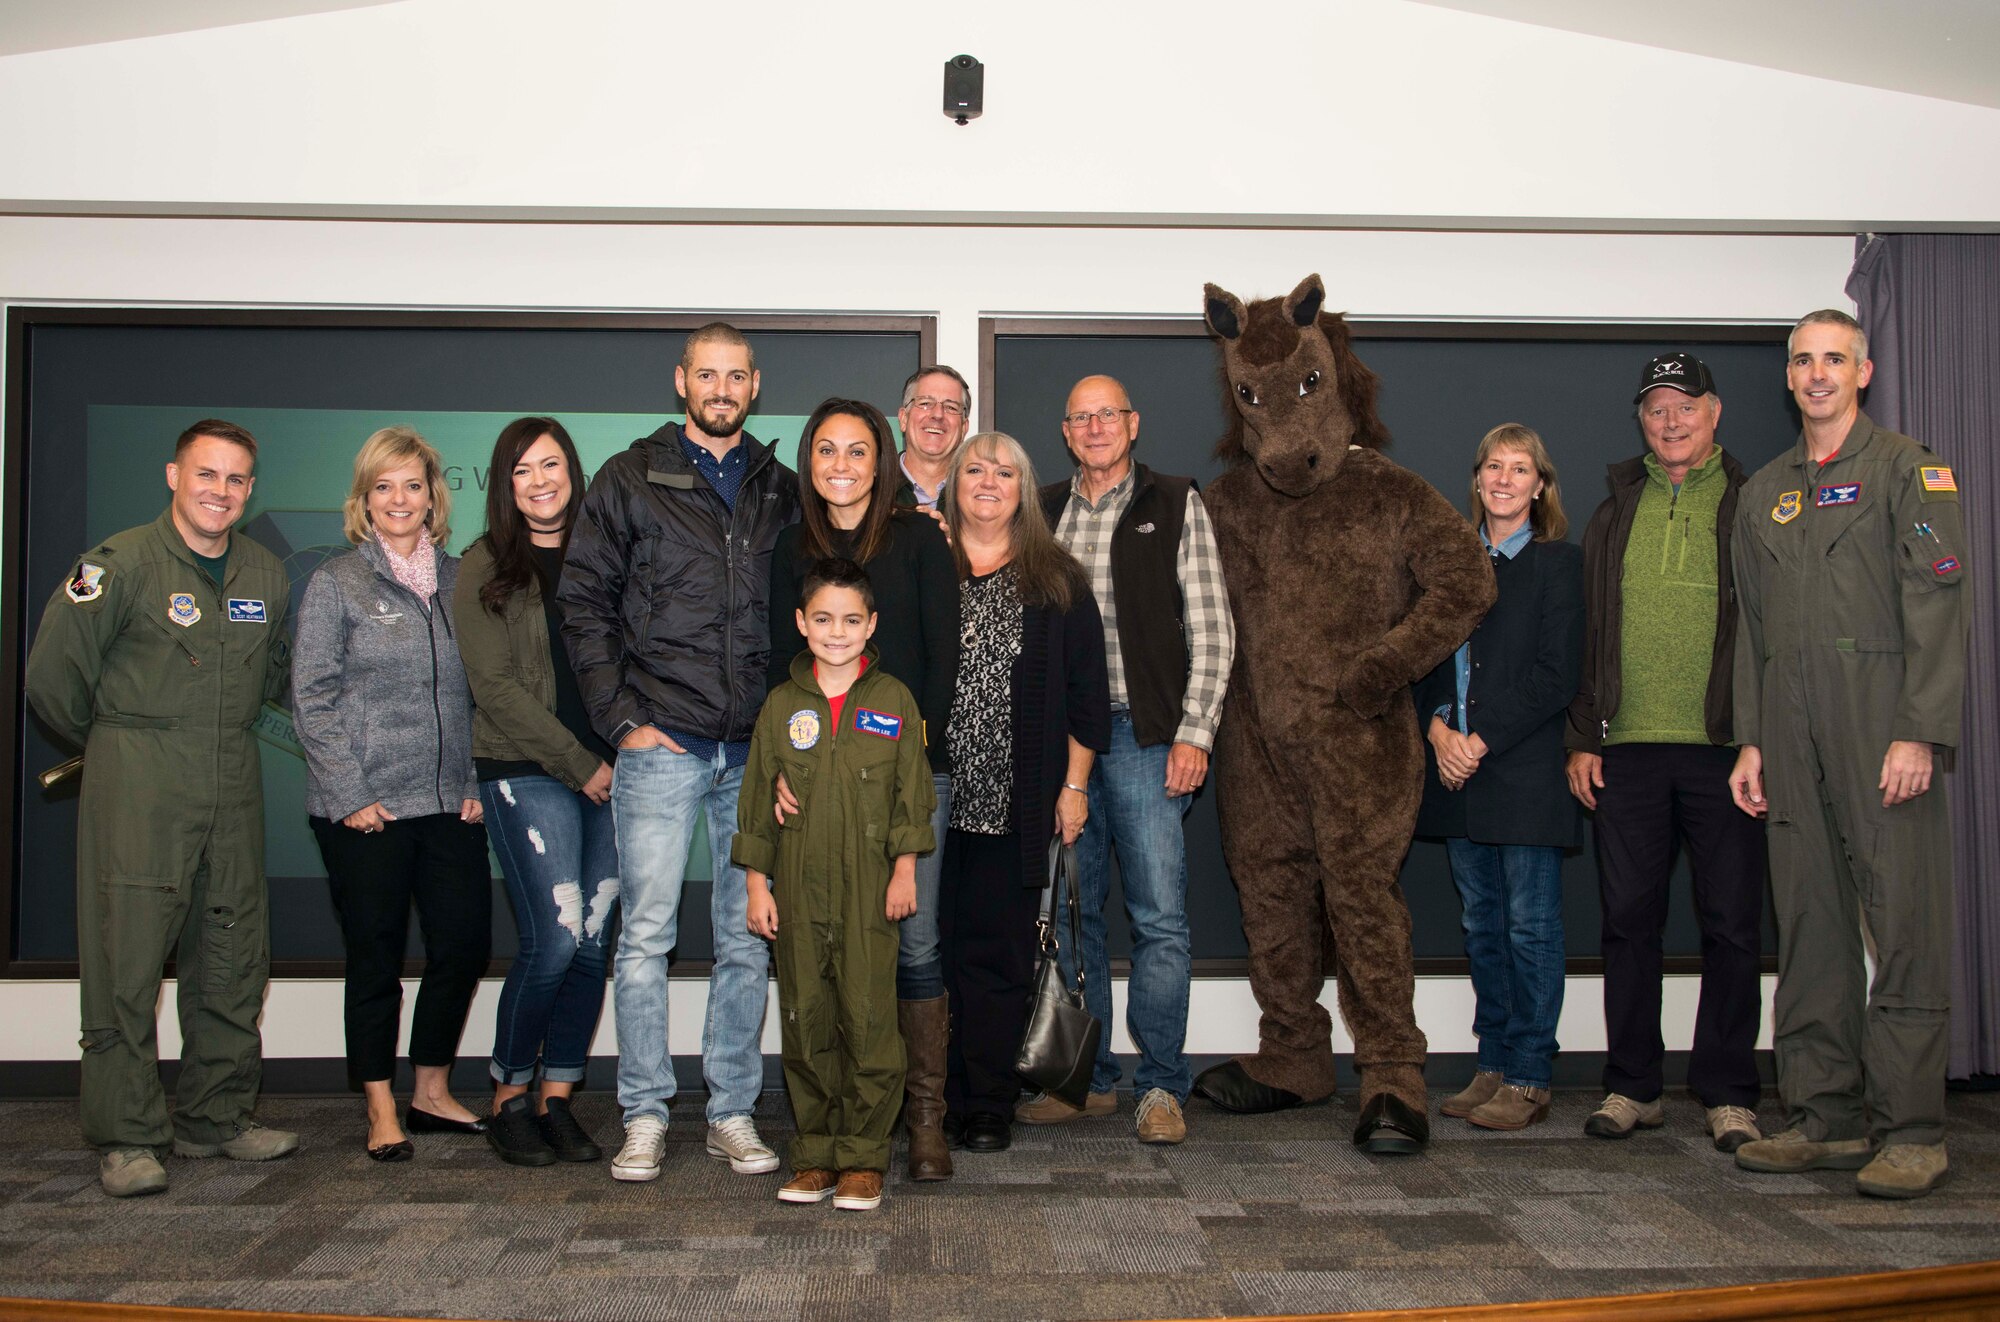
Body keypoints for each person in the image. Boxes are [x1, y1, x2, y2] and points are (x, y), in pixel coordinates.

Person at [1729, 310, 1968, 1200]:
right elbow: (1753, 629)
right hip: (1788, 737)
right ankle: (1823, 1116)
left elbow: (1938, 607)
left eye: (1834, 359)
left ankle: (1910, 1128)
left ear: (1863, 372)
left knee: (1902, 927)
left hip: (1882, 729)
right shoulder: (1766, 493)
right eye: (1802, 360)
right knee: (1812, 926)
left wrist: (1921, 729)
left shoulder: (1910, 471)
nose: (1817, 373)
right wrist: (1752, 738)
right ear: (1787, 378)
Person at [25, 419, 298, 1198]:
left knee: (233, 954)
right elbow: (53, 679)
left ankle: (216, 1118)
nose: (221, 491)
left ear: (251, 490)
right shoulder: (117, 567)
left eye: (237, 479)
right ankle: (127, 1136)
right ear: (173, 475)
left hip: (231, 782)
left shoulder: (264, 574)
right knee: (126, 960)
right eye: (206, 474)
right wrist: (117, 750)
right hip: (138, 785)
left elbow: (272, 676)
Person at [558, 322, 800, 1182]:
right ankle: (645, 1113)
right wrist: (621, 720)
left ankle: (731, 1109)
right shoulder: (628, 478)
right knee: (646, 939)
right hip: (662, 743)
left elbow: (812, 610)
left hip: (754, 753)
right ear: (682, 382)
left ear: (755, 386)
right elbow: (582, 605)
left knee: (746, 941)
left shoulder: (782, 488)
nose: (723, 389)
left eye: (736, 376)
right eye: (708, 374)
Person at [1564, 353, 1766, 1152]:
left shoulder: (1754, 502)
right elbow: (1591, 633)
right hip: (1630, 750)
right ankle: (1632, 1085)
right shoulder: (1616, 509)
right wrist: (1583, 736)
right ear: (1641, 422)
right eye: (1656, 410)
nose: (1671, 422)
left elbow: (1772, 631)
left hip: (1726, 749)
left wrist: (1763, 736)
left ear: (1713, 414)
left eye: (1686, 407)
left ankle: (1728, 1091)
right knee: (1627, 922)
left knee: (1732, 925)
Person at [1030, 374, 1234, 1145]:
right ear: (1066, 430)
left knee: (1160, 920)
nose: (1094, 428)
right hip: (1064, 748)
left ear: (1133, 423)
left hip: (1150, 739)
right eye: (1080, 417)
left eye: (1106, 415)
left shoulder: (1177, 502)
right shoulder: (1040, 510)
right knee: (1074, 916)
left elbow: (1213, 628)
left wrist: (1196, 731)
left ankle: (1160, 1086)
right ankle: (1089, 1080)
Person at [767, 399, 960, 1181]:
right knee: (824, 946)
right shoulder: (788, 546)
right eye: (825, 451)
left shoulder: (918, 537)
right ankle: (841, 1127)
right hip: (814, 781)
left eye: (857, 451)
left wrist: (910, 758)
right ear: (809, 463)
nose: (841, 465)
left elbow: (944, 659)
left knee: (912, 943)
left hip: (909, 778)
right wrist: (783, 763)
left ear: (882, 461)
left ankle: (921, 1121)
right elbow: (778, 665)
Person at [292, 426, 491, 1163]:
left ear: (434, 496)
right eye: (384, 486)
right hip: (365, 810)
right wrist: (349, 791)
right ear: (364, 500)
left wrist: (473, 780)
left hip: (451, 804)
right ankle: (379, 1104)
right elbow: (310, 696)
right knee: (375, 954)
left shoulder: (465, 577)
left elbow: (487, 693)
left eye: (412, 484)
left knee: (464, 946)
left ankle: (431, 1089)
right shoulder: (337, 582)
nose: (399, 499)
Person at [737, 559, 938, 1211]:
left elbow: (915, 793)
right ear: (801, 623)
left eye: (851, 620)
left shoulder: (893, 702)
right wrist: (757, 887)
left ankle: (863, 1159)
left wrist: (905, 869)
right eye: (822, 619)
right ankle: (816, 1153)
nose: (836, 631)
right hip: (797, 886)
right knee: (806, 1019)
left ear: (871, 625)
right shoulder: (782, 707)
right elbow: (755, 799)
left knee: (870, 1018)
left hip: (869, 891)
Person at [938, 431, 1111, 1153]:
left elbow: (1087, 701)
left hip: (1014, 803)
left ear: (1024, 489)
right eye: (973, 469)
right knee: (927, 957)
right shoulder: (923, 566)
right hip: (925, 803)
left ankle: (986, 1103)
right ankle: (929, 1099)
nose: (987, 481)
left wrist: (1074, 787)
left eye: (1004, 471)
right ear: (954, 485)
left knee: (1001, 957)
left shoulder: (1058, 581)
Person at [454, 417, 619, 1167]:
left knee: (594, 941)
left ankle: (558, 1098)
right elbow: (492, 689)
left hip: (618, 773)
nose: (540, 481)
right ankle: (507, 1097)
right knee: (553, 939)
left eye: (551, 465)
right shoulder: (483, 564)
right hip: (527, 770)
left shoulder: (606, 553)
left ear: (571, 471)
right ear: (504, 485)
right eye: (522, 471)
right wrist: (578, 763)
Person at [1416, 424, 1584, 1131]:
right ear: (1477, 479)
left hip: (1523, 776)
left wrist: (1476, 741)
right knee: (1482, 927)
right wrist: (1436, 732)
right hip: (1457, 775)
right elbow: (1417, 659)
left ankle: (1529, 1073)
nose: (1505, 479)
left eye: (1521, 469)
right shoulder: (1449, 567)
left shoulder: (1558, 567)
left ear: (1540, 486)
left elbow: (1556, 676)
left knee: (1529, 930)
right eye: (1493, 466)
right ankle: (1491, 1063)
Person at [894, 364, 972, 511]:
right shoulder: (872, 488)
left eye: (951, 407)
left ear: (963, 428)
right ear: (904, 419)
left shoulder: (978, 495)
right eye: (925, 403)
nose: (938, 414)